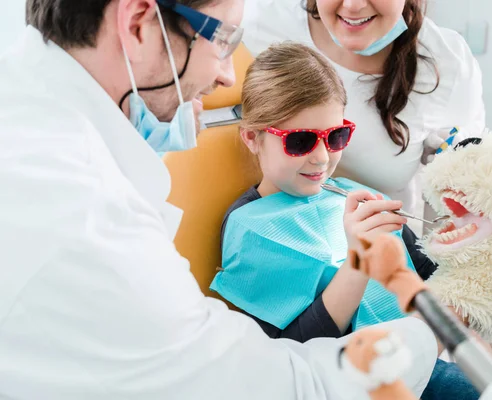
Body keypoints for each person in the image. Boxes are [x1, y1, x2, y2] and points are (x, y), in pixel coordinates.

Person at [0, 0, 438, 399]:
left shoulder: (34, 120)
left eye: (335, 135)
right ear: (138, 25)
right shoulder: (85, 224)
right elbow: (280, 387)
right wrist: (431, 333)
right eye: (224, 39)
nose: (228, 76)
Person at [211, 42, 480, 400]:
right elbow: (288, 363)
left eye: (336, 136)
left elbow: (434, 274)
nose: (322, 158)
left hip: (421, 361)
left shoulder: (350, 192)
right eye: (300, 141)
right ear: (252, 138)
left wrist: (459, 243)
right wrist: (359, 262)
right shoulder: (250, 227)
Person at [241, 0, 485, 213]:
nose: (353, 6)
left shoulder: (448, 66)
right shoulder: (257, 23)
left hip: (382, 245)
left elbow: (466, 199)